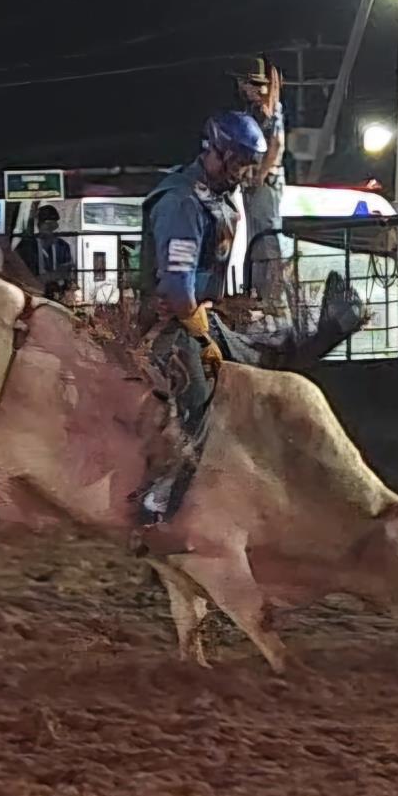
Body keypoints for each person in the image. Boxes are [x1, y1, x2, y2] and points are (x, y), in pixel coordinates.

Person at [135, 109, 269, 523]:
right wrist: (204, 339)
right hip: (172, 322)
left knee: (255, 370)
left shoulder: (215, 194)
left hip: (198, 313)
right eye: (241, 163)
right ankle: (160, 499)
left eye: (250, 164)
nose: (246, 173)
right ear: (220, 154)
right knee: (202, 406)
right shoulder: (182, 201)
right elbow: (177, 289)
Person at [231, 56, 288, 301]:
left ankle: (271, 295)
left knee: (266, 238)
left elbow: (277, 144)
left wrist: (260, 176)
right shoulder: (252, 110)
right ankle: (260, 292)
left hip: (266, 181)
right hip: (254, 182)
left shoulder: (269, 109)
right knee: (256, 238)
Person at [14, 206, 76, 300]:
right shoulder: (26, 246)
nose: (48, 227)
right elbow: (19, 274)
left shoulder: (63, 246)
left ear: (55, 226)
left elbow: (67, 274)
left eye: (52, 224)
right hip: (31, 296)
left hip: (58, 297)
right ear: (39, 225)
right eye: (45, 223)